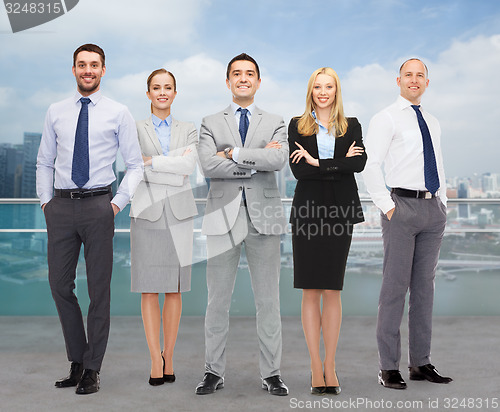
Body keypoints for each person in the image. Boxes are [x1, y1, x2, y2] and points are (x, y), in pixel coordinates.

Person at [36, 44, 143, 394]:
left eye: (94, 65)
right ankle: (77, 359)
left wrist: (117, 204)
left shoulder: (118, 112)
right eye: (82, 65)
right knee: (59, 286)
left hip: (100, 205)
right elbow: (44, 162)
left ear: (103, 70)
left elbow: (135, 164)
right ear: (73, 70)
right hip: (62, 208)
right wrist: (46, 204)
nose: (88, 70)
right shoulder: (55, 111)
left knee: (99, 291)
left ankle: (92, 368)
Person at [195, 53, 289, 396]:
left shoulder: (277, 120)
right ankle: (213, 372)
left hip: (264, 220)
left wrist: (232, 154)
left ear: (258, 81)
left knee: (269, 302)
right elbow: (206, 165)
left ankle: (273, 374)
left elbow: (278, 159)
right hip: (222, 220)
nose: (243, 78)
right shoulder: (209, 121)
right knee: (217, 301)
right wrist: (254, 159)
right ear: (228, 81)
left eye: (250, 74)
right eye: (237, 74)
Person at [362, 58, 452, 390]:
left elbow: (438, 162)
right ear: (398, 80)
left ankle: (420, 363)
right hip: (400, 208)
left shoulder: (432, 120)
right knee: (394, 290)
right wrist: (387, 207)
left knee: (425, 291)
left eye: (420, 75)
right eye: (408, 75)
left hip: (432, 210)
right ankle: (389, 367)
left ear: (427, 82)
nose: (414, 80)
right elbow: (370, 164)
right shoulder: (385, 118)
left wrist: (444, 203)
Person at [288, 67, 366, 395]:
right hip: (307, 214)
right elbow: (297, 171)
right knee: (310, 291)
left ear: (337, 90)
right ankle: (314, 366)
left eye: (329, 86)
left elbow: (359, 164)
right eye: (317, 86)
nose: (323, 92)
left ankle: (330, 365)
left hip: (340, 214)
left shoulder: (352, 125)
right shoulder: (296, 125)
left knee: (332, 290)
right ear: (311, 91)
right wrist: (336, 163)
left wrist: (318, 162)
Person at [129, 69, 198, 386]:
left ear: (175, 92)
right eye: (156, 87)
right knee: (148, 287)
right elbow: (134, 168)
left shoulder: (189, 129)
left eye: (167, 87)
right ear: (148, 93)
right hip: (147, 213)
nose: (162, 92)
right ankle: (154, 358)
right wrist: (171, 166)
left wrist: (152, 162)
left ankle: (169, 357)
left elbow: (188, 169)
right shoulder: (134, 128)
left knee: (174, 288)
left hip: (180, 214)